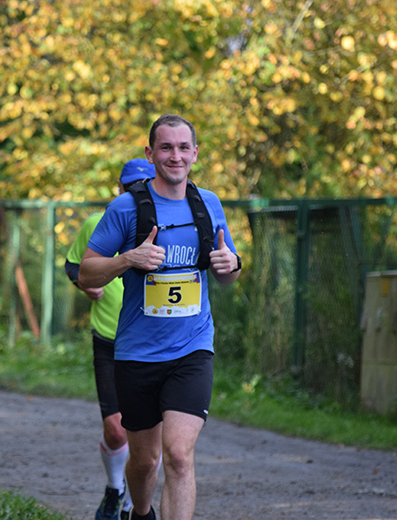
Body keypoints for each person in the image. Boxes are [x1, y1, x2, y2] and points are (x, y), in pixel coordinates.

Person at [79, 114, 241, 520]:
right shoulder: (126, 208)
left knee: (179, 456)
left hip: (192, 349)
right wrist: (128, 259)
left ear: (195, 153)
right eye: (166, 147)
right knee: (145, 461)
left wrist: (231, 265)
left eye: (183, 147)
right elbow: (86, 273)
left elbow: (228, 272)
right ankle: (140, 512)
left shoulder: (208, 204)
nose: (175, 156)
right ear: (150, 154)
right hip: (137, 354)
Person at [65, 158, 156, 520]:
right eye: (129, 188)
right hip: (109, 338)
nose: (135, 194)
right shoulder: (99, 221)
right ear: (119, 189)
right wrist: (85, 286)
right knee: (117, 431)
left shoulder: (168, 224)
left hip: (152, 341)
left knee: (146, 434)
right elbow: (74, 265)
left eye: (143, 187)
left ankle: (134, 502)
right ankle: (115, 488)